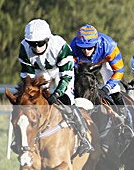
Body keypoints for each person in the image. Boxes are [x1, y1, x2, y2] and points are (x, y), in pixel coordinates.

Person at [17, 19, 94, 156]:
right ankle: (20, 139)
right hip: (39, 73)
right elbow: (27, 75)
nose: (36, 48)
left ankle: (83, 138)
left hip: (60, 73)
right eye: (32, 44)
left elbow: (66, 77)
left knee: (67, 102)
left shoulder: (60, 47)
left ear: (47, 39)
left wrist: (57, 94)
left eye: (40, 44)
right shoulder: (23, 47)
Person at [69, 24, 127, 105]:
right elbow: (69, 69)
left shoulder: (109, 46)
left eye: (89, 48)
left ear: (95, 44)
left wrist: (106, 89)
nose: (86, 52)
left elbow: (119, 71)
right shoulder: (73, 46)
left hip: (104, 62)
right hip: (83, 65)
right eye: (82, 48)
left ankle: (123, 112)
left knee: (114, 89)